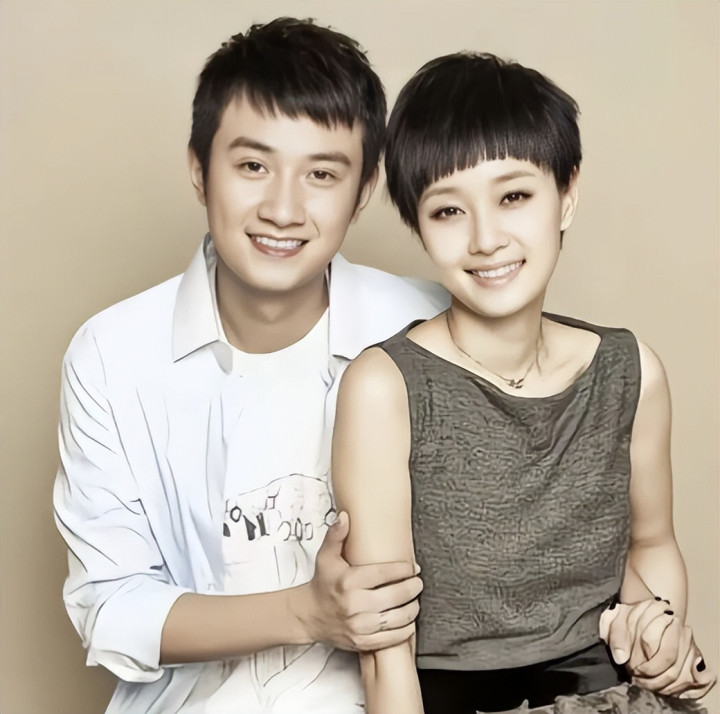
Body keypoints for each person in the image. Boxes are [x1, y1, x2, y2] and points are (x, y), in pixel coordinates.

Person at [53, 18, 448, 714]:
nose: (283, 209)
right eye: (253, 166)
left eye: (321, 174)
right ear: (199, 169)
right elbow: (109, 608)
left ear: (364, 190)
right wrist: (307, 613)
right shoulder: (112, 354)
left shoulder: (427, 327)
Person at [331, 52, 715, 713]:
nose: (486, 239)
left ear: (567, 194)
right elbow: (384, 646)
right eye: (448, 211)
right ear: (418, 224)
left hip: (609, 695)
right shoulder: (385, 386)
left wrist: (659, 631)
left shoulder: (630, 372)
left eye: (513, 197)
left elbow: (651, 544)